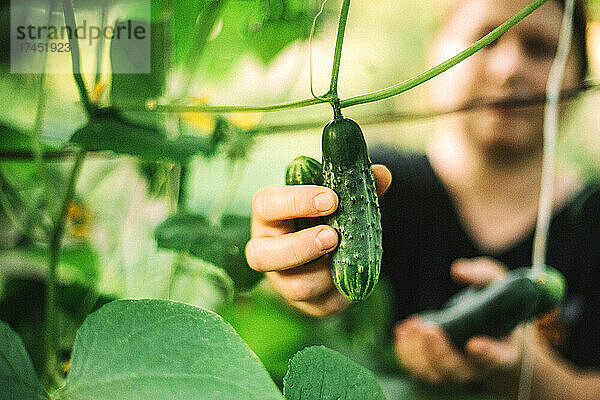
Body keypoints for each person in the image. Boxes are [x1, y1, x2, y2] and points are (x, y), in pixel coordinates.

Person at [245, 0, 600, 399]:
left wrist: (535, 377)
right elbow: (294, 304)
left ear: (581, 76)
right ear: (438, 52)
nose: (509, 68)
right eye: (485, 40)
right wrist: (292, 274)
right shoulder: (384, 185)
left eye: (540, 48)